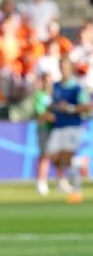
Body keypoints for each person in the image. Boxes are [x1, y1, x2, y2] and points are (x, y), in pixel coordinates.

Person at [47, 57, 89, 204]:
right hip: (59, 125)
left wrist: (69, 108)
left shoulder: (77, 87)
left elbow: (87, 106)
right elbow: (52, 103)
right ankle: (78, 164)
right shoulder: (56, 86)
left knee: (68, 157)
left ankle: (76, 191)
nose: (63, 69)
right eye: (61, 66)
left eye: (65, 66)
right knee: (51, 155)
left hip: (73, 125)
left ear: (70, 68)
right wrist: (54, 107)